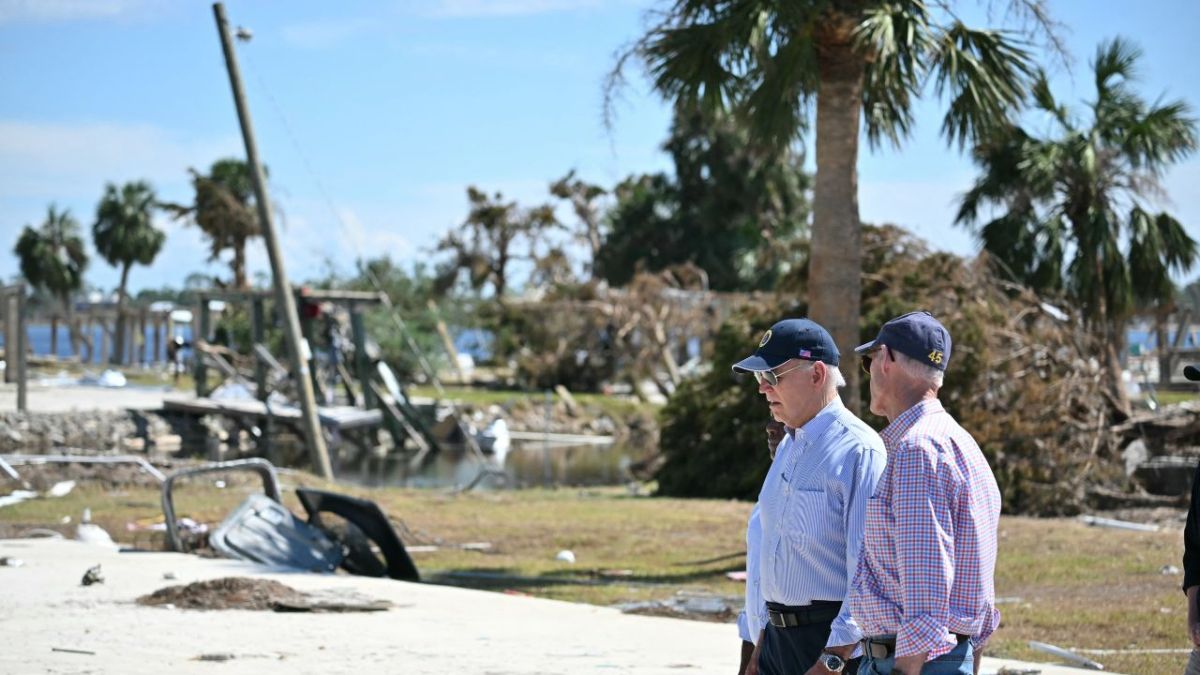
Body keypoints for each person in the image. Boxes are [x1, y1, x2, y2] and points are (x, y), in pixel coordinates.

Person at [848, 311, 1002, 675]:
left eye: (869, 362)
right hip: (937, 659)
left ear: (885, 359)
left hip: (910, 663)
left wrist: (905, 668)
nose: (869, 372)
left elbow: (926, 585)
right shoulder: (959, 442)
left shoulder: (917, 449)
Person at [733, 318, 887, 675]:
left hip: (828, 649)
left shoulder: (859, 451)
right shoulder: (789, 445)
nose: (762, 390)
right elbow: (766, 550)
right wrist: (760, 645)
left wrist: (831, 661)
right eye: (759, 379)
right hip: (776, 644)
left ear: (817, 374)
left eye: (772, 377)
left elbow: (866, 574)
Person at [738, 420, 786, 675]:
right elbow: (756, 590)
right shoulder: (769, 491)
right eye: (771, 414)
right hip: (765, 655)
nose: (770, 427)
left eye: (783, 418)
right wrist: (747, 662)